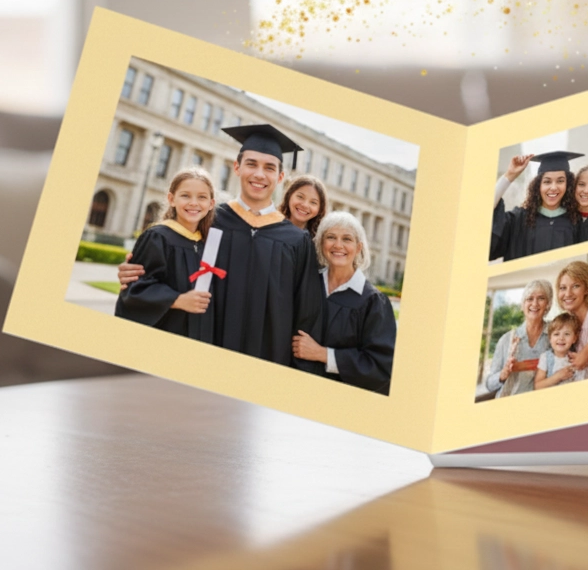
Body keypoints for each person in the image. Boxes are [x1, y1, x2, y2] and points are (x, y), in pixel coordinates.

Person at [118, 123, 325, 373]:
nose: (259, 174)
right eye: (251, 164)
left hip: (268, 359)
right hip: (204, 351)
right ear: (236, 167)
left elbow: (307, 310)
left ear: (280, 177)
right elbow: (169, 266)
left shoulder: (295, 240)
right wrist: (136, 271)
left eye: (269, 167)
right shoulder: (207, 221)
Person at [291, 211, 397, 394]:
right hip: (294, 387)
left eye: (347, 239)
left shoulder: (372, 302)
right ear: (321, 244)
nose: (338, 245)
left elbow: (380, 366)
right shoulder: (306, 285)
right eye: (331, 237)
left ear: (358, 248)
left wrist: (322, 354)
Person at [115, 167, 216, 341]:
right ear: (171, 199)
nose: (194, 203)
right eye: (185, 195)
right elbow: (135, 288)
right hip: (163, 332)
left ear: (211, 204)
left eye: (202, 197)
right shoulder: (158, 237)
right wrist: (177, 300)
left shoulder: (207, 243)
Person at [491, 151, 582, 261]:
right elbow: (486, 208)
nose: (553, 187)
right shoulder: (518, 220)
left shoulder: (575, 221)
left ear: (568, 185)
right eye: (547, 182)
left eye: (560, 181)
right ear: (538, 185)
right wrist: (510, 175)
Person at [484, 279, 552, 398]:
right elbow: (489, 384)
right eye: (529, 299)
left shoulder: (556, 335)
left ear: (548, 304)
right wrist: (502, 374)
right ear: (522, 305)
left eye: (541, 298)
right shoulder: (506, 340)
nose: (535, 304)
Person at [534, 312, 588, 389]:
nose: (561, 338)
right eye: (556, 334)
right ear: (550, 338)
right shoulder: (546, 357)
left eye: (566, 334)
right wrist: (558, 377)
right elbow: (538, 386)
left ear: (574, 338)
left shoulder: (576, 359)